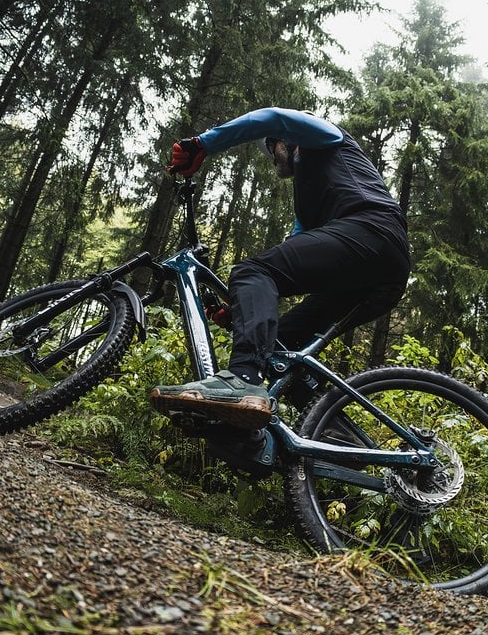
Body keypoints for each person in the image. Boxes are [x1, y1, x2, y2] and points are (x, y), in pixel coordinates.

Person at [149, 107, 410, 430]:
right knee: (282, 347)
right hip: (379, 273)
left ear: (288, 141)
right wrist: (244, 306)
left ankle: (243, 378)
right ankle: (336, 436)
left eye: (272, 150)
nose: (273, 160)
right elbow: (290, 258)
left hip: (372, 230)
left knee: (249, 271)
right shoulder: (308, 200)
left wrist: (202, 144)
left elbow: (273, 117)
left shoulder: (326, 137)